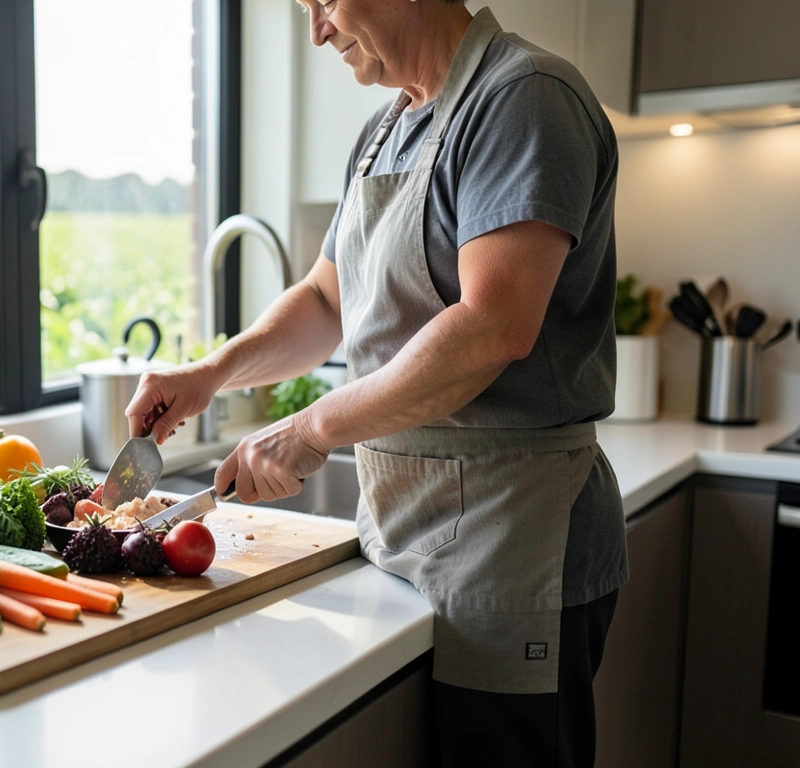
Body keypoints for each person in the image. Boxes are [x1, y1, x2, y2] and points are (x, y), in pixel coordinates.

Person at [125, 1, 626, 765]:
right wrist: (210, 374)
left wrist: (308, 429)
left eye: (324, 1)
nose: (318, 30)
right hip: (402, 535)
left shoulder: (523, 96)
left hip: (513, 543)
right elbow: (327, 299)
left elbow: (493, 327)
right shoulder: (385, 130)